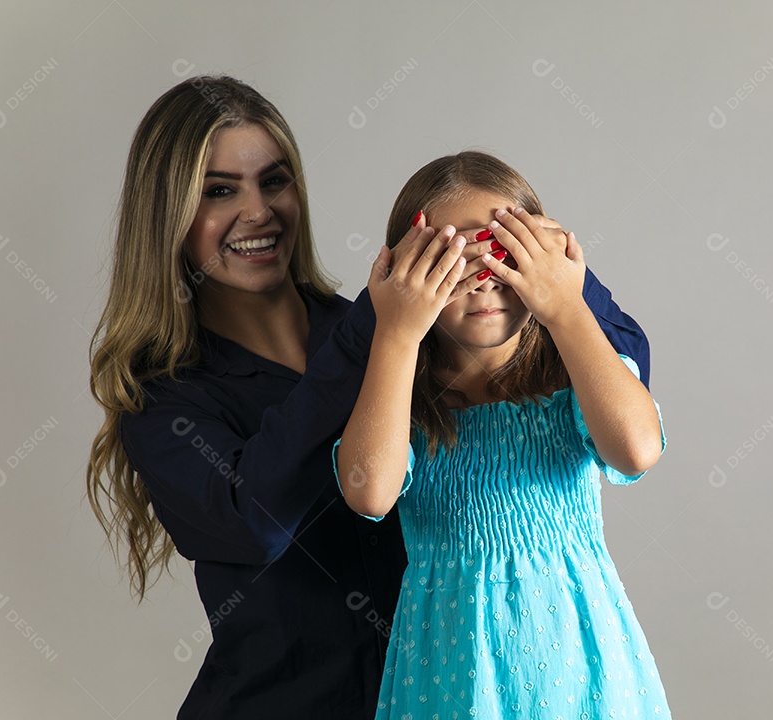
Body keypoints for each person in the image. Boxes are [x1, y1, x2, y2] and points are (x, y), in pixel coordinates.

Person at [85, 75, 654, 719]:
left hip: (448, 695)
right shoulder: (165, 401)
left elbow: (615, 377)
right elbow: (255, 521)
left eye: (274, 181)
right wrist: (384, 329)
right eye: (220, 190)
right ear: (170, 216)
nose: (258, 211)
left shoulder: (399, 331)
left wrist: (535, 258)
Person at [334, 151, 672, 718]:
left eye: (507, 253)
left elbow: (637, 451)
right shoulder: (396, 399)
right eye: (450, 261)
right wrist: (394, 330)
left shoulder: (573, 376)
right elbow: (369, 492)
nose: (483, 281)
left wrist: (566, 304)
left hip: (584, 670)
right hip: (449, 677)